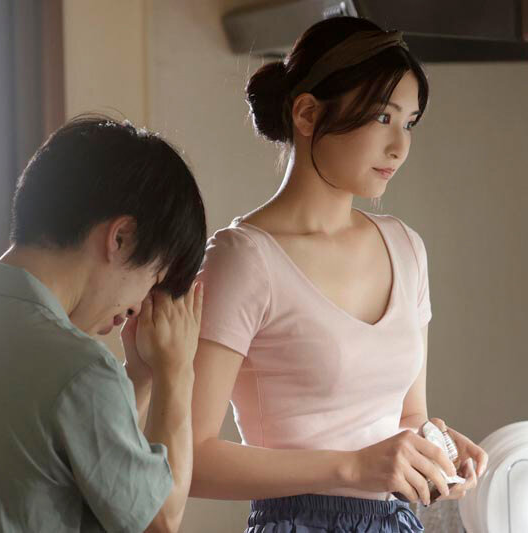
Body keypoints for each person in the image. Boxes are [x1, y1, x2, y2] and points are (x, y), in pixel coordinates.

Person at [190, 17, 489, 532]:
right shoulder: (244, 259)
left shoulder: (406, 249)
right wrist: (351, 467)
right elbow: (189, 458)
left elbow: (407, 417)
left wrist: (434, 447)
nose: (399, 146)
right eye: (382, 116)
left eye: (409, 123)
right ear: (308, 113)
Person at [0, 115, 206, 533]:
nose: (139, 307)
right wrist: (176, 373)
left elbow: (83, 464)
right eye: (154, 280)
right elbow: (160, 520)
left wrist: (139, 378)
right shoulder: (79, 370)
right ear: (121, 237)